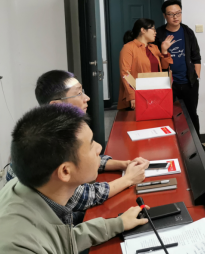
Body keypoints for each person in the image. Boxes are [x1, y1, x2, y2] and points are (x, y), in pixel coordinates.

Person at [0, 104, 149, 253]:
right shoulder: (20, 247)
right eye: (91, 145)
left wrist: (118, 223)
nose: (99, 148)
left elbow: (63, 240)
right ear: (65, 171)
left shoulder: (28, 184)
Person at [5, 70, 149, 217]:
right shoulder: (47, 140)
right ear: (56, 105)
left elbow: (81, 158)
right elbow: (83, 196)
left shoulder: (56, 127)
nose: (87, 98)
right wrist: (129, 179)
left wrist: (124, 164)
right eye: (78, 93)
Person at [155, 0, 205, 156]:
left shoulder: (187, 32)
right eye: (171, 14)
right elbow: (154, 58)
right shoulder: (159, 34)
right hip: (168, 83)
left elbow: (196, 56)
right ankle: (171, 147)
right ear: (165, 16)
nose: (175, 17)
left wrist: (196, 76)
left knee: (192, 115)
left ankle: (197, 146)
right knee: (167, 116)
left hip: (189, 83)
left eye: (178, 13)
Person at [118, 18, 174, 111]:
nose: (155, 32)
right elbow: (125, 74)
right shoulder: (128, 48)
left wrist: (164, 51)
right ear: (143, 30)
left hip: (156, 92)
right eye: (153, 29)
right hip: (139, 94)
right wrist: (132, 95)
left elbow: (164, 68)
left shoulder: (154, 48)